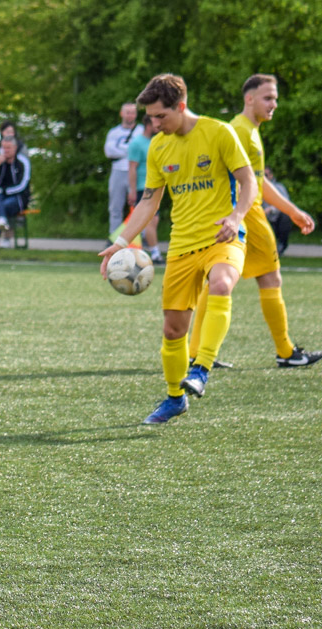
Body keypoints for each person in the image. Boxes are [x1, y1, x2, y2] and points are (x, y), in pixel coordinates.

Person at [101, 73, 256, 424]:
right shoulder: (158, 147)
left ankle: (201, 368)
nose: (155, 124)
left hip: (223, 236)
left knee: (221, 284)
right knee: (173, 330)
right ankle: (174, 398)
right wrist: (120, 243)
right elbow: (148, 202)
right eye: (151, 118)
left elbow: (248, 182)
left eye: (161, 116)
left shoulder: (219, 132)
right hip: (182, 244)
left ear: (181, 106)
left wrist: (235, 217)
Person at [188, 75, 322, 369]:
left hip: (238, 213)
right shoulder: (240, 130)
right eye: (268, 98)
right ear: (249, 98)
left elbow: (257, 181)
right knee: (267, 278)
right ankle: (285, 352)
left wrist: (291, 211)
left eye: (275, 98)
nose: (274, 104)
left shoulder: (248, 130)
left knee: (218, 281)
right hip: (246, 214)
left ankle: (196, 352)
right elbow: (235, 180)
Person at [121, 112, 162, 261]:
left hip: (156, 187)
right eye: (155, 123)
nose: (158, 126)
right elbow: (132, 168)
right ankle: (155, 253)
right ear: (148, 125)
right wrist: (132, 190)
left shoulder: (157, 141)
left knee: (153, 222)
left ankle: (148, 245)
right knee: (150, 221)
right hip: (142, 187)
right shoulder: (137, 143)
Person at [0, 138, 30, 250]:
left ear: (15, 148)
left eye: (8, 148)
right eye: (4, 148)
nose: (6, 151)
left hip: (18, 197)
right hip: (0, 196)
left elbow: (23, 185)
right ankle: (2, 225)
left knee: (1, 207)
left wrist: (3, 191)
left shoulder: (22, 161)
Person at [104, 101, 139, 239]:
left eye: (133, 112)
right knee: (115, 207)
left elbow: (143, 151)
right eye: (128, 112)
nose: (130, 115)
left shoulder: (141, 131)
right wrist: (130, 152)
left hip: (136, 172)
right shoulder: (114, 133)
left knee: (139, 206)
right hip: (118, 171)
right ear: (122, 114)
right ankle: (114, 237)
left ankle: (137, 237)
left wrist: (122, 151)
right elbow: (109, 152)